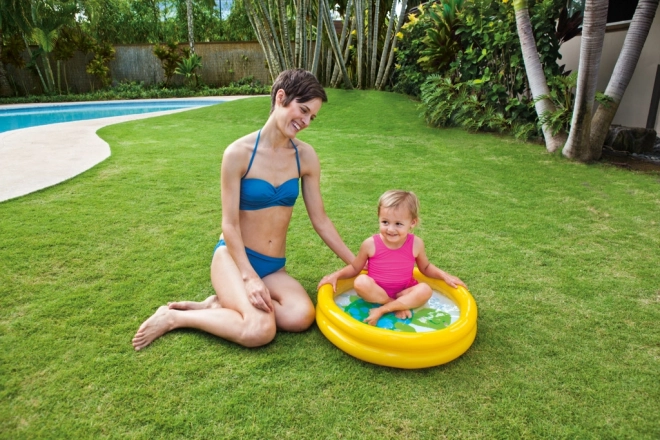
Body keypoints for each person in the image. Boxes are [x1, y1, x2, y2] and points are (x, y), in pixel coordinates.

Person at [132, 69, 355, 350]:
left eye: (312, 117)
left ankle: (217, 303)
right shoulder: (237, 154)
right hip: (234, 259)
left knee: (301, 316)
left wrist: (359, 264)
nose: (306, 121)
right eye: (303, 110)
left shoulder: (305, 156)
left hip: (274, 267)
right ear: (281, 97)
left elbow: (320, 220)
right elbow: (229, 224)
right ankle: (175, 317)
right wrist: (248, 277)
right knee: (260, 329)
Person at [317, 190, 467, 326]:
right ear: (379, 218)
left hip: (404, 292)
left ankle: (382, 309)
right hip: (376, 292)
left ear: (412, 223)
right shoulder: (370, 244)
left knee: (425, 290)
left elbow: (425, 268)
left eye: (398, 224)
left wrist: (445, 276)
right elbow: (356, 268)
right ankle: (394, 305)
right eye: (385, 222)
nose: (390, 229)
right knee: (361, 282)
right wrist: (336, 275)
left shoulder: (416, 244)